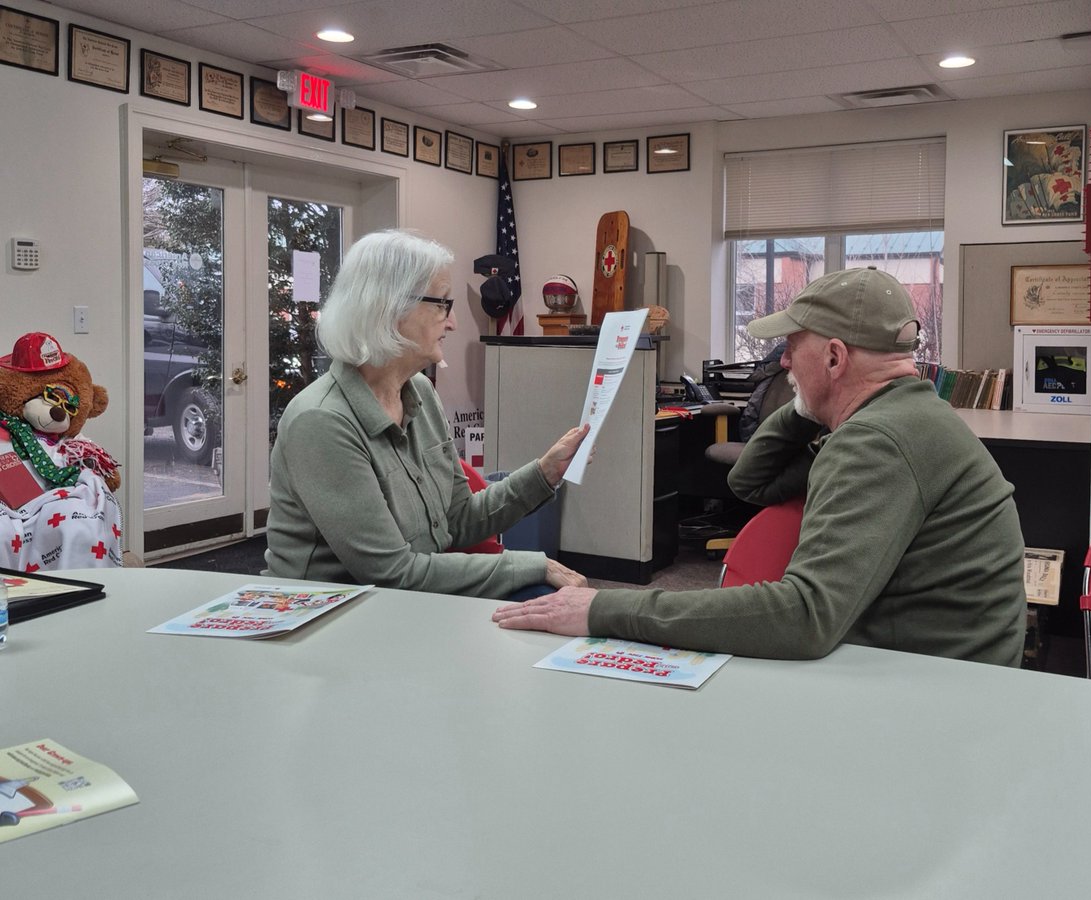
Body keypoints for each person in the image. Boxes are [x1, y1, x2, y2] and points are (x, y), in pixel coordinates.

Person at [493, 266, 1027, 666]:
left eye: (794, 348)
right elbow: (750, 482)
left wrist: (601, 609)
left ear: (837, 358)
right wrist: (809, 404)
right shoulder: (902, 415)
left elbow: (804, 617)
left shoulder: (878, 441)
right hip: (929, 668)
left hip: (929, 692)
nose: (785, 362)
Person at [265, 229, 589, 599]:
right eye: (442, 305)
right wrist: (530, 564)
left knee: (550, 606)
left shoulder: (419, 391)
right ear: (389, 308)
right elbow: (391, 572)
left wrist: (544, 474)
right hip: (326, 619)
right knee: (540, 597)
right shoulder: (321, 422)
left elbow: (458, 520)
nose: (452, 323)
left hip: (407, 603)